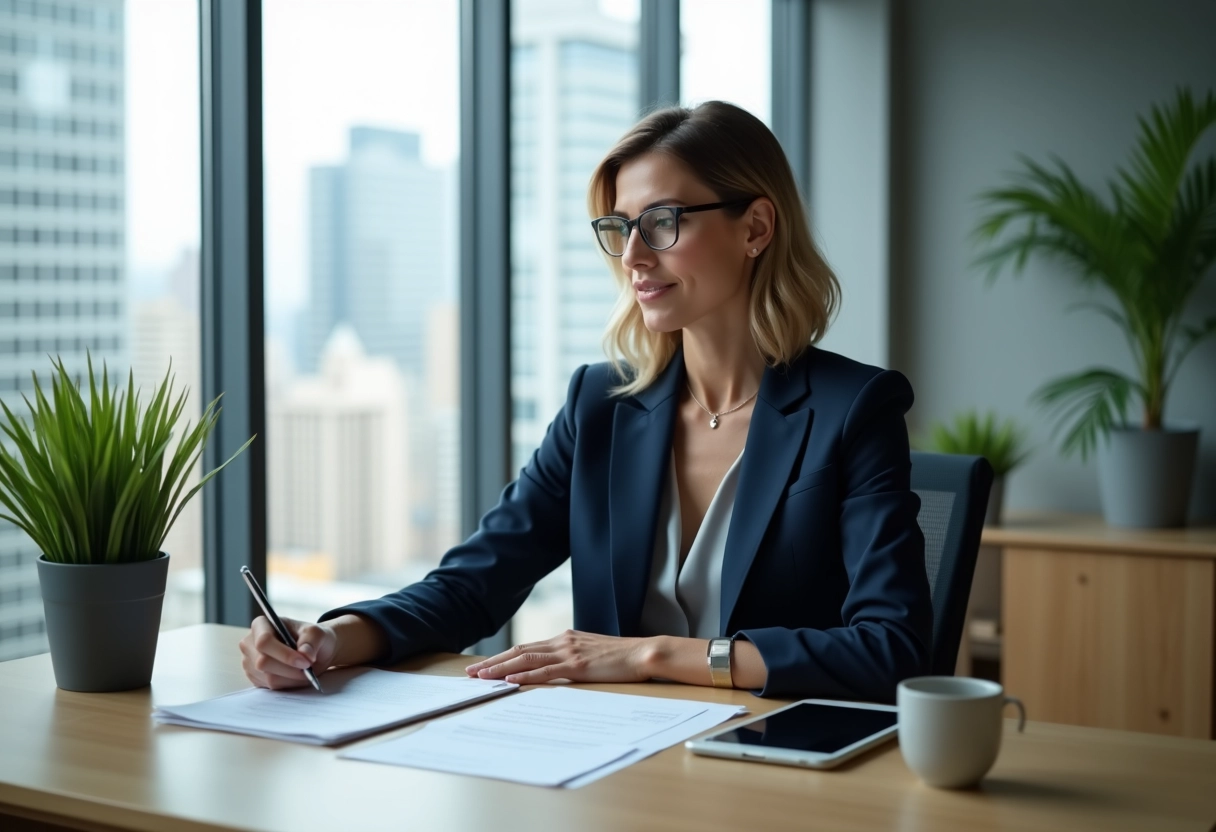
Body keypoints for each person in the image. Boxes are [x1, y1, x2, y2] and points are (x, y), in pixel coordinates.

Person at [241, 101, 932, 701]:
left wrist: (648, 655)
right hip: (613, 759)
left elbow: (889, 648)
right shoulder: (599, 406)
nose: (632, 255)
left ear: (755, 228)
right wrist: (329, 639)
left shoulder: (853, 410)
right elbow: (472, 586)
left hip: (767, 763)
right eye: (619, 227)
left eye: (662, 222)